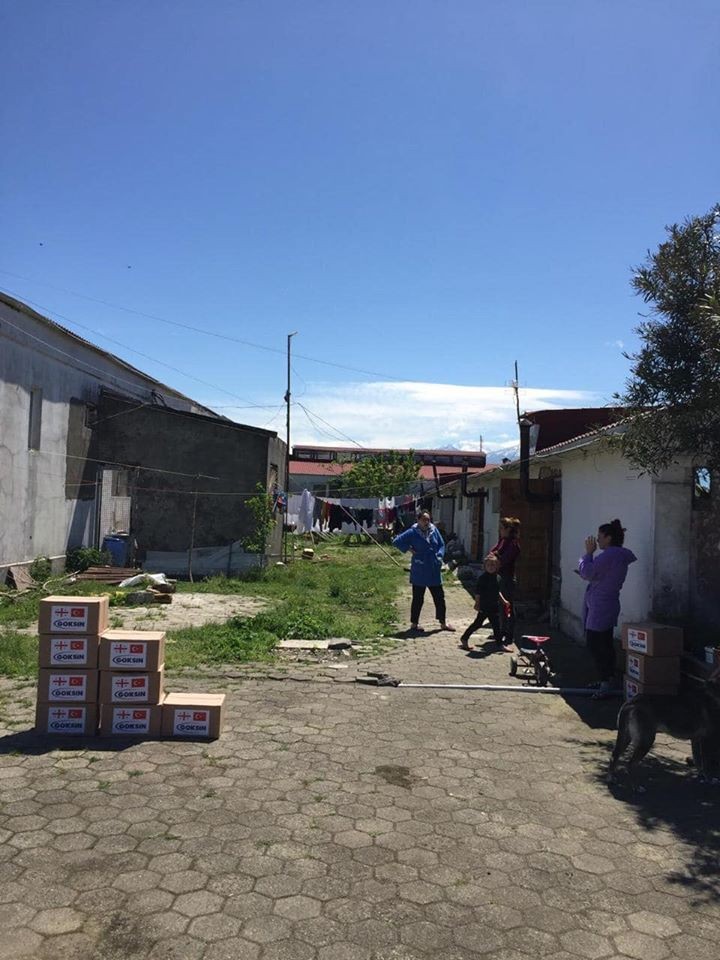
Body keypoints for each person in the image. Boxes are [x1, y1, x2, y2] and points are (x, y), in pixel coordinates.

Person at [578, 518, 637, 698]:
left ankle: (605, 683)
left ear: (608, 538)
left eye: (600, 537)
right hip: (609, 603)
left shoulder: (609, 555)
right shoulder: (619, 556)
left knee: (595, 644)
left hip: (600, 605)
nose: (597, 541)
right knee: (605, 643)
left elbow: (587, 572)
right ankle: (607, 679)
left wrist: (588, 554)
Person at [393, 510, 455, 633]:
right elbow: (397, 542)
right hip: (419, 569)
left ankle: (443, 623)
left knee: (439, 597)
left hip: (433, 568)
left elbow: (441, 544)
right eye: (424, 519)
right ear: (418, 520)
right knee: (418, 598)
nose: (426, 522)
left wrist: (439, 556)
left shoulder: (434, 530)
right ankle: (414, 624)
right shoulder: (412, 532)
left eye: (428, 519)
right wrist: (409, 549)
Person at [488, 517, 521, 651]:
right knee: (500, 606)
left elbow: (503, 560)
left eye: (502, 528)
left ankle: (509, 634)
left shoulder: (513, 544)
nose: (500, 530)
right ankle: (501, 631)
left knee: (508, 606)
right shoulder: (503, 541)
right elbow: (493, 551)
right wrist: (493, 556)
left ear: (508, 529)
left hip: (508, 579)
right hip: (499, 577)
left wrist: (495, 558)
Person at [459, 555, 501, 650]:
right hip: (484, 606)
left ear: (497, 566)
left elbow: (498, 592)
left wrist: (504, 601)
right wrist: (477, 603)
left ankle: (499, 644)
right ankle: (464, 638)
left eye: (493, 565)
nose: (491, 567)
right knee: (478, 624)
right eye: (489, 565)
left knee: (496, 625)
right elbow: (478, 593)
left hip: (494, 605)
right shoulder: (483, 578)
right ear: (485, 566)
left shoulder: (498, 578)